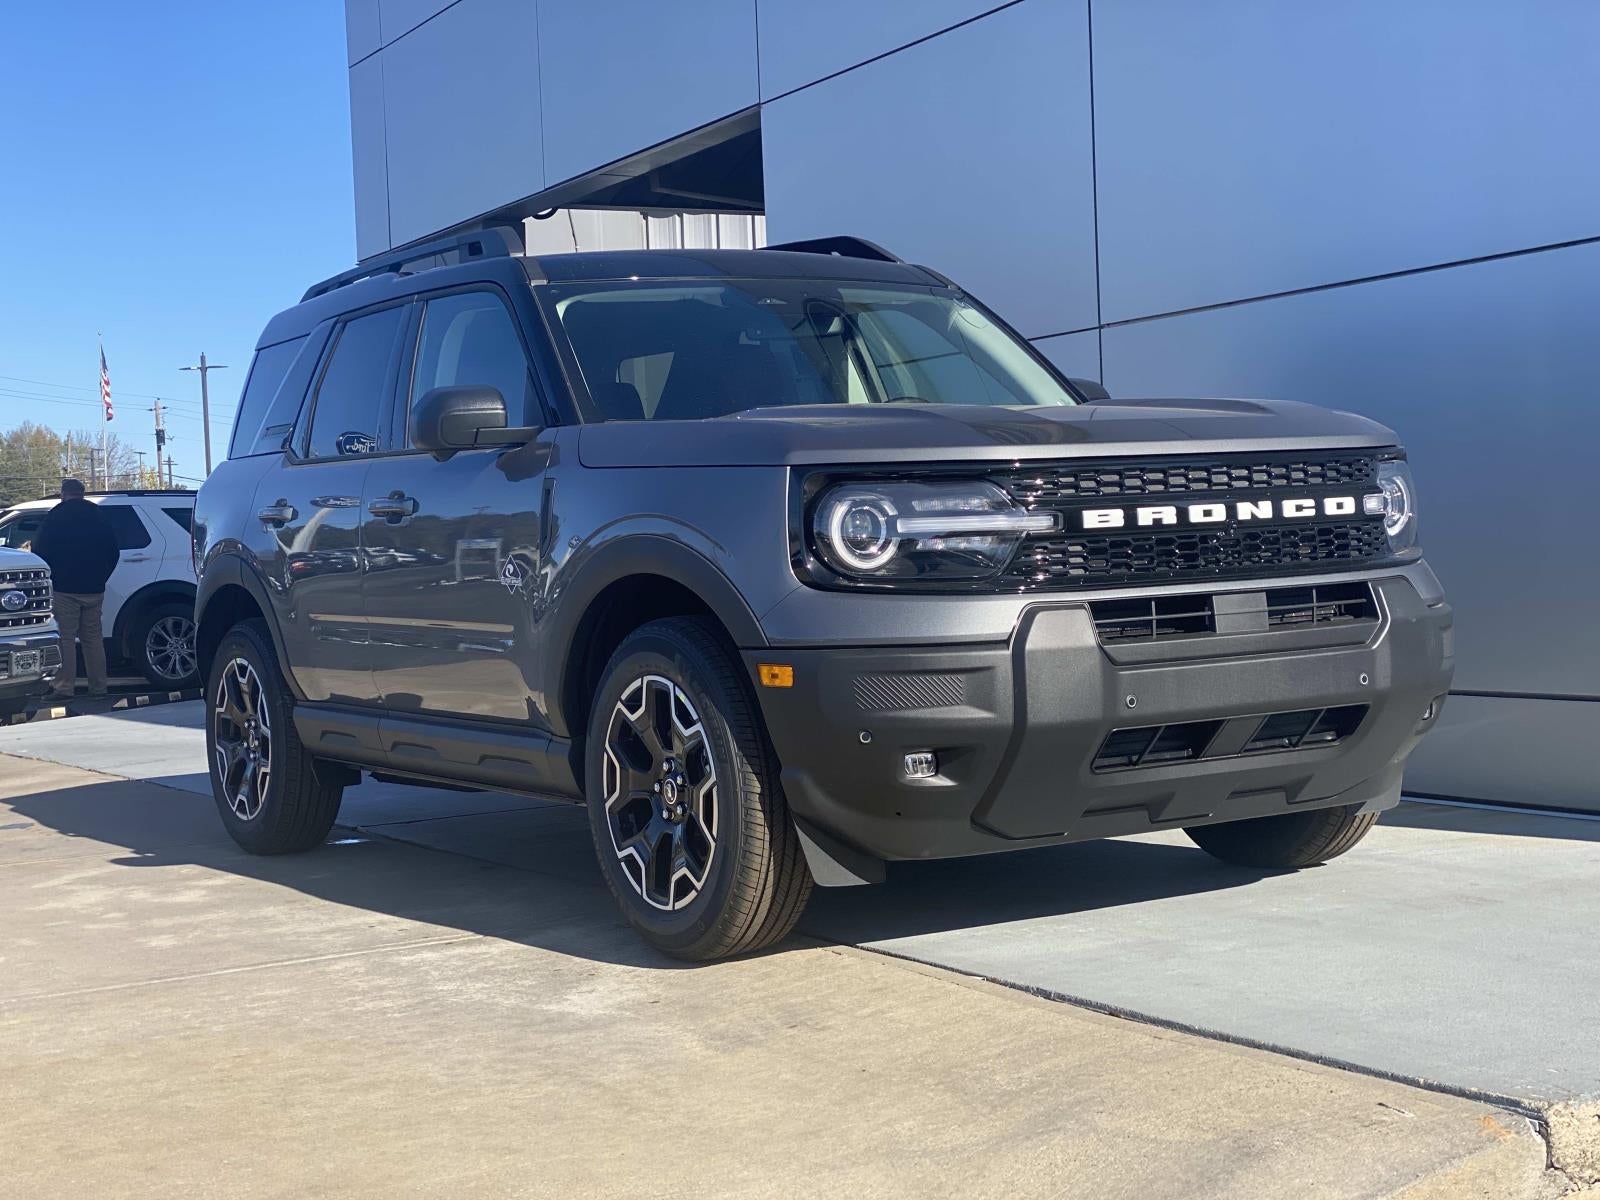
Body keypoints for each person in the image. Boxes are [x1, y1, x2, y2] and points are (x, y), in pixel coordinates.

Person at [31, 479, 120, 701]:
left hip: (64, 588)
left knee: (65, 638)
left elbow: (39, 549)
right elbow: (113, 550)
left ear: (63, 494)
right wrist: (101, 577)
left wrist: (53, 577)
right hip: (94, 588)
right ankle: (99, 687)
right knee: (93, 638)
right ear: (82, 493)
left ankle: (64, 688)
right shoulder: (98, 516)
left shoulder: (56, 516)